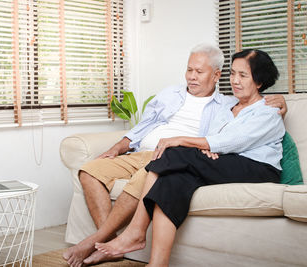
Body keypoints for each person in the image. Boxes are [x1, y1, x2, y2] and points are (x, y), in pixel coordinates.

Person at [63, 44, 287, 267]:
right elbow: (218, 138)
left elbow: (231, 140)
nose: (235, 80)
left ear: (258, 81)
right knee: (171, 180)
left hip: (257, 167)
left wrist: (182, 140)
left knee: (171, 153)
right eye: (234, 74)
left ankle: (135, 232)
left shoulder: (265, 111)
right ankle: (158, 263)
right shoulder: (229, 109)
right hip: (222, 161)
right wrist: (208, 149)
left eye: (243, 75)